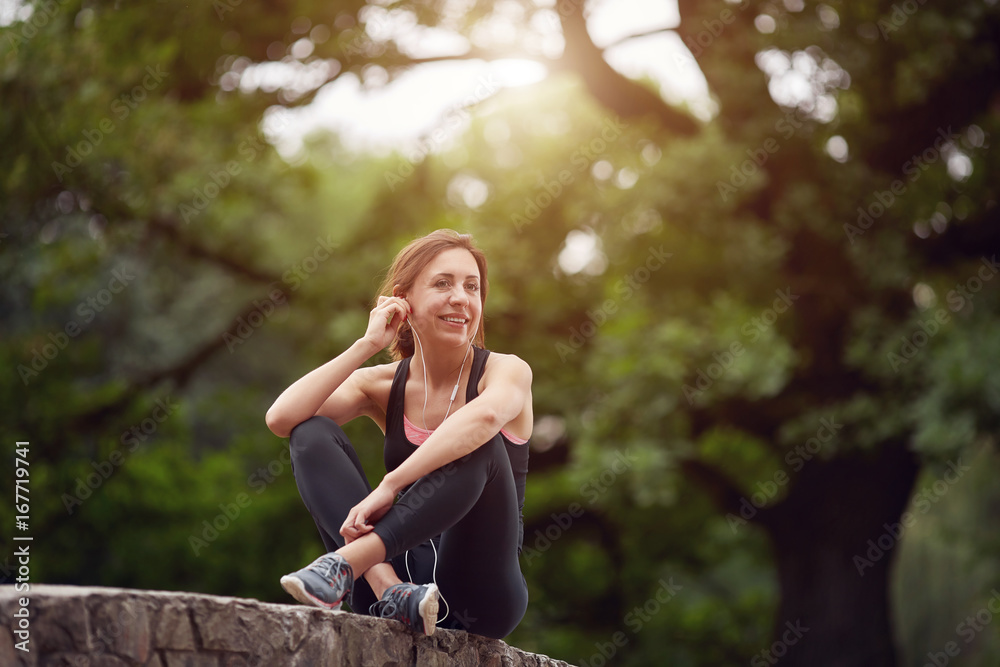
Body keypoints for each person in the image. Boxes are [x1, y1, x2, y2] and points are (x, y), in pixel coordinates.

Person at [265, 229, 533, 640]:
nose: (460, 297)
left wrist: (392, 483)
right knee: (310, 432)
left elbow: (486, 418)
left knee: (480, 437)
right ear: (402, 300)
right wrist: (366, 344)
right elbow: (282, 419)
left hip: (479, 595)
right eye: (443, 283)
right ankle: (385, 587)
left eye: (472, 286)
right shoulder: (382, 384)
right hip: (397, 585)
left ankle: (344, 564)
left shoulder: (506, 371)